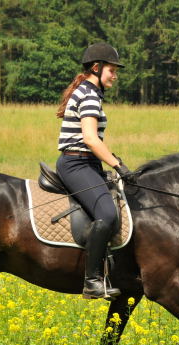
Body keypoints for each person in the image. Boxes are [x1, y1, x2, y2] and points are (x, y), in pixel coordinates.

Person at [55, 42, 135, 300]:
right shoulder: (89, 95)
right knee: (107, 213)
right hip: (76, 163)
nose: (115, 75)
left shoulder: (90, 92)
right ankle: (92, 281)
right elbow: (90, 139)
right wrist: (117, 164)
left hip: (87, 163)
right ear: (96, 68)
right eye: (112, 70)